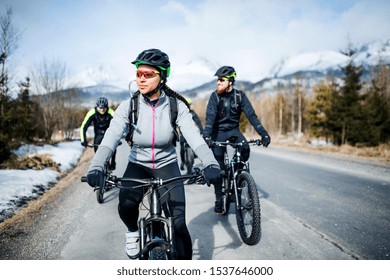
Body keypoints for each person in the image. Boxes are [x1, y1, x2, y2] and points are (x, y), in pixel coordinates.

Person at [85, 48, 220, 260]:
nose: (141, 79)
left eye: (148, 75)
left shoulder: (177, 106)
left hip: (167, 164)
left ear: (162, 76)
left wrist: (211, 163)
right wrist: (96, 166)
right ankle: (132, 232)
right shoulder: (128, 107)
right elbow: (110, 137)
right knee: (127, 205)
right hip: (138, 164)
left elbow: (195, 138)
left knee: (178, 224)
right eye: (138, 74)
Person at [203, 66, 271, 215]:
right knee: (219, 168)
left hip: (233, 131)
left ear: (230, 81)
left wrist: (264, 134)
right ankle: (219, 199)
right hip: (218, 132)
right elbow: (210, 119)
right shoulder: (214, 97)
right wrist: (207, 136)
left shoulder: (240, 96)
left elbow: (252, 116)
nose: (218, 82)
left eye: (221, 80)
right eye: (217, 80)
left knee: (245, 149)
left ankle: (238, 176)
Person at [80, 97, 117, 170]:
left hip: (109, 135)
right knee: (98, 155)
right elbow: (83, 127)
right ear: (97, 107)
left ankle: (113, 162)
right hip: (98, 135)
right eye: (100, 108)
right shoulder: (92, 112)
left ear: (107, 107)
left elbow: (119, 125)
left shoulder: (111, 112)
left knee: (113, 145)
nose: (102, 110)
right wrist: (83, 140)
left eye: (104, 108)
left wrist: (119, 138)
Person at [179, 97, 204, 171]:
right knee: (182, 148)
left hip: (190, 133)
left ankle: (194, 157)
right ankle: (183, 162)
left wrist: (202, 130)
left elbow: (198, 122)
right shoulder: (180, 112)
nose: (188, 106)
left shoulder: (192, 113)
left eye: (189, 104)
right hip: (182, 134)